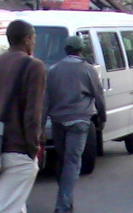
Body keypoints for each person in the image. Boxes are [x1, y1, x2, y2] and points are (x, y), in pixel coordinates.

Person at [43, 36, 106, 213]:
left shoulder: (53, 71)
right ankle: (62, 206)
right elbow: (99, 96)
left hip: (58, 122)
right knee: (71, 163)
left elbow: (45, 101)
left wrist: (40, 126)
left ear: (66, 50)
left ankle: (66, 201)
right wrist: (102, 117)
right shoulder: (88, 70)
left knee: (64, 161)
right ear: (81, 50)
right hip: (80, 121)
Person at [0, 20, 46, 213]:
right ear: (27, 39)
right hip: (17, 148)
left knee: (17, 203)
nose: (34, 42)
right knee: (8, 205)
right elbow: (32, 113)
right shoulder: (34, 66)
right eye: (34, 38)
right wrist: (33, 147)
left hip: (2, 144)